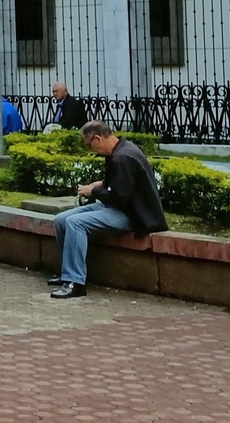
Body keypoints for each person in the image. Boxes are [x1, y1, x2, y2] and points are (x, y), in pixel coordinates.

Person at [52, 121, 167, 299]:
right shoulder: (121, 149)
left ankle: (75, 283)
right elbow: (118, 186)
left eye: (88, 145)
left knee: (75, 223)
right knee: (60, 220)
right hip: (117, 207)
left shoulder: (122, 157)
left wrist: (94, 190)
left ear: (97, 138)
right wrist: (99, 185)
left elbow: (119, 197)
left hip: (132, 215)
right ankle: (68, 274)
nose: (90, 149)